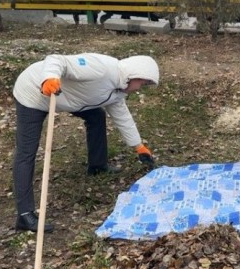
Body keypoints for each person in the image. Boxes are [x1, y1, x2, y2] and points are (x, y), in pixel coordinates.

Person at [12, 53, 159, 233]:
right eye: (142, 84)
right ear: (134, 75)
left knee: (96, 116)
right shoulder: (101, 68)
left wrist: (138, 146)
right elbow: (56, 60)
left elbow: (122, 116)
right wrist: (49, 77)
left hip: (68, 98)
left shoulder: (119, 91)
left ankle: (97, 166)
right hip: (34, 91)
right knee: (26, 152)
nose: (140, 89)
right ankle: (25, 215)